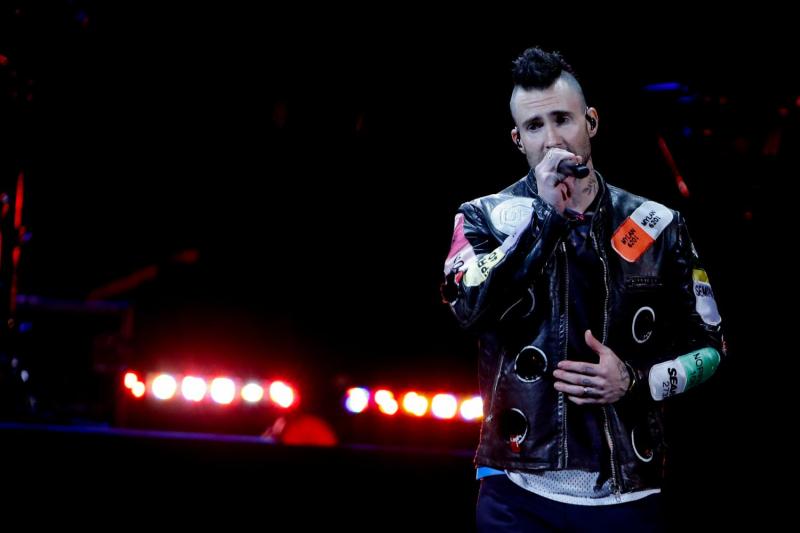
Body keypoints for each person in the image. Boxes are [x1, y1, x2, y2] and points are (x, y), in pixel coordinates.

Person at [440, 47, 725, 532]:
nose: (552, 139)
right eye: (535, 126)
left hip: (627, 490)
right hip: (516, 491)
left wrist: (634, 380)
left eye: (563, 119)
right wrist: (545, 219)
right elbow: (467, 308)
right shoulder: (481, 217)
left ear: (591, 121)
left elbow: (712, 347)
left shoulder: (656, 224)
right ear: (518, 139)